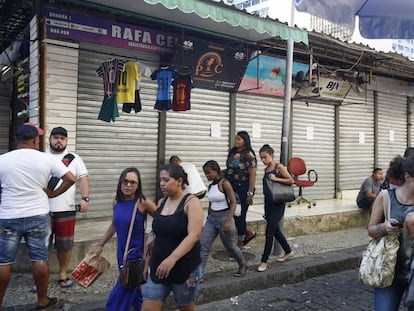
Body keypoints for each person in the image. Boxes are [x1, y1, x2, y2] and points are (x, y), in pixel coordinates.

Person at [0, 122, 75, 310]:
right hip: (38, 215)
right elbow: (71, 179)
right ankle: (42, 301)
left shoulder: (3, 160)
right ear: (36, 140)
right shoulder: (46, 159)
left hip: (8, 215)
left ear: (16, 139)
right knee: (39, 259)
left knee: (4, 262)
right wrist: (53, 194)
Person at [142, 163, 203, 311]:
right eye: (161, 180)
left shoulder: (191, 202)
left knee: (186, 307)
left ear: (179, 181)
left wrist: (172, 258)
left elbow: (194, 235)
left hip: (184, 268)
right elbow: (159, 231)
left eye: (166, 180)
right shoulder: (162, 202)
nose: (162, 184)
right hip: (159, 267)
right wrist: (146, 263)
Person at [96, 167, 157, 311]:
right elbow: (114, 225)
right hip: (121, 253)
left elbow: (163, 221)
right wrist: (101, 244)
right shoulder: (116, 202)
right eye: (125, 181)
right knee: (134, 291)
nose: (128, 185)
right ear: (120, 183)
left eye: (133, 182)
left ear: (138, 185)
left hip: (135, 255)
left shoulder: (143, 202)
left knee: (118, 296)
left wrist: (153, 237)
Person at [368, 155, 414, 311]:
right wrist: (385, 228)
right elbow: (371, 230)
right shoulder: (386, 197)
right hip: (390, 271)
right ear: (408, 176)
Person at [46, 126, 90, 288]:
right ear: (49, 139)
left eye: (62, 138)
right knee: (42, 245)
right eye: (55, 137)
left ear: (66, 141)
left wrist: (85, 199)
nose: (58, 140)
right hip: (43, 210)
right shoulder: (40, 156)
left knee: (65, 245)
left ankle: (62, 273)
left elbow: (83, 179)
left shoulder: (74, 159)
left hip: (66, 209)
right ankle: (42, 276)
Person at [200, 160, 247, 279]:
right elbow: (211, 202)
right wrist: (209, 214)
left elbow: (233, 202)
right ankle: (199, 275)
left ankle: (242, 264)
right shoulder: (211, 186)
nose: (207, 176)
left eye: (209, 173)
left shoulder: (224, 183)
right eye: (205, 173)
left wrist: (228, 221)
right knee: (203, 245)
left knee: (230, 246)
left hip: (224, 217)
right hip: (212, 219)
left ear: (216, 171)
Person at [257, 144, 295, 272]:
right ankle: (289, 251)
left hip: (278, 203)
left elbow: (291, 181)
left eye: (265, 157)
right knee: (275, 230)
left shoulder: (279, 167)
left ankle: (264, 260)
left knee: (269, 233)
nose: (263, 160)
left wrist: (276, 178)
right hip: (268, 203)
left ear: (271, 155)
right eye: (261, 158)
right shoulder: (265, 170)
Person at [225, 130, 257, 249]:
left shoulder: (248, 155)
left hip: (244, 187)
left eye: (239, 139)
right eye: (236, 139)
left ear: (245, 141)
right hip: (232, 186)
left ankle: (240, 243)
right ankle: (248, 233)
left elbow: (252, 175)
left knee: (240, 214)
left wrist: (250, 192)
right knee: (232, 213)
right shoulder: (233, 152)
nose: (236, 141)